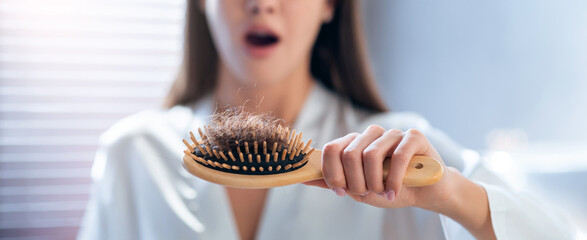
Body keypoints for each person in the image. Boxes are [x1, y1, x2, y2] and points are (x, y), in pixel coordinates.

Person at [77, 0, 572, 239]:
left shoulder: (401, 150)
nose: (262, 5)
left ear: (329, 4)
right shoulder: (133, 155)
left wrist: (451, 197)